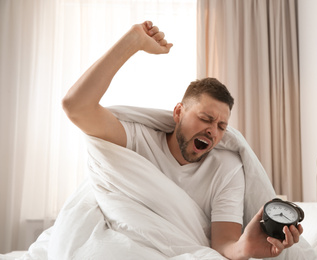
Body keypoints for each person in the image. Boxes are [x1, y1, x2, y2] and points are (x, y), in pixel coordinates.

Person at [62, 21, 303, 259]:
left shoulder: (226, 168)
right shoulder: (138, 139)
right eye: (205, 118)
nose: (212, 131)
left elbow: (224, 244)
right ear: (178, 113)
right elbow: (76, 106)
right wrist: (132, 42)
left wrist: (245, 248)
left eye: (221, 126)